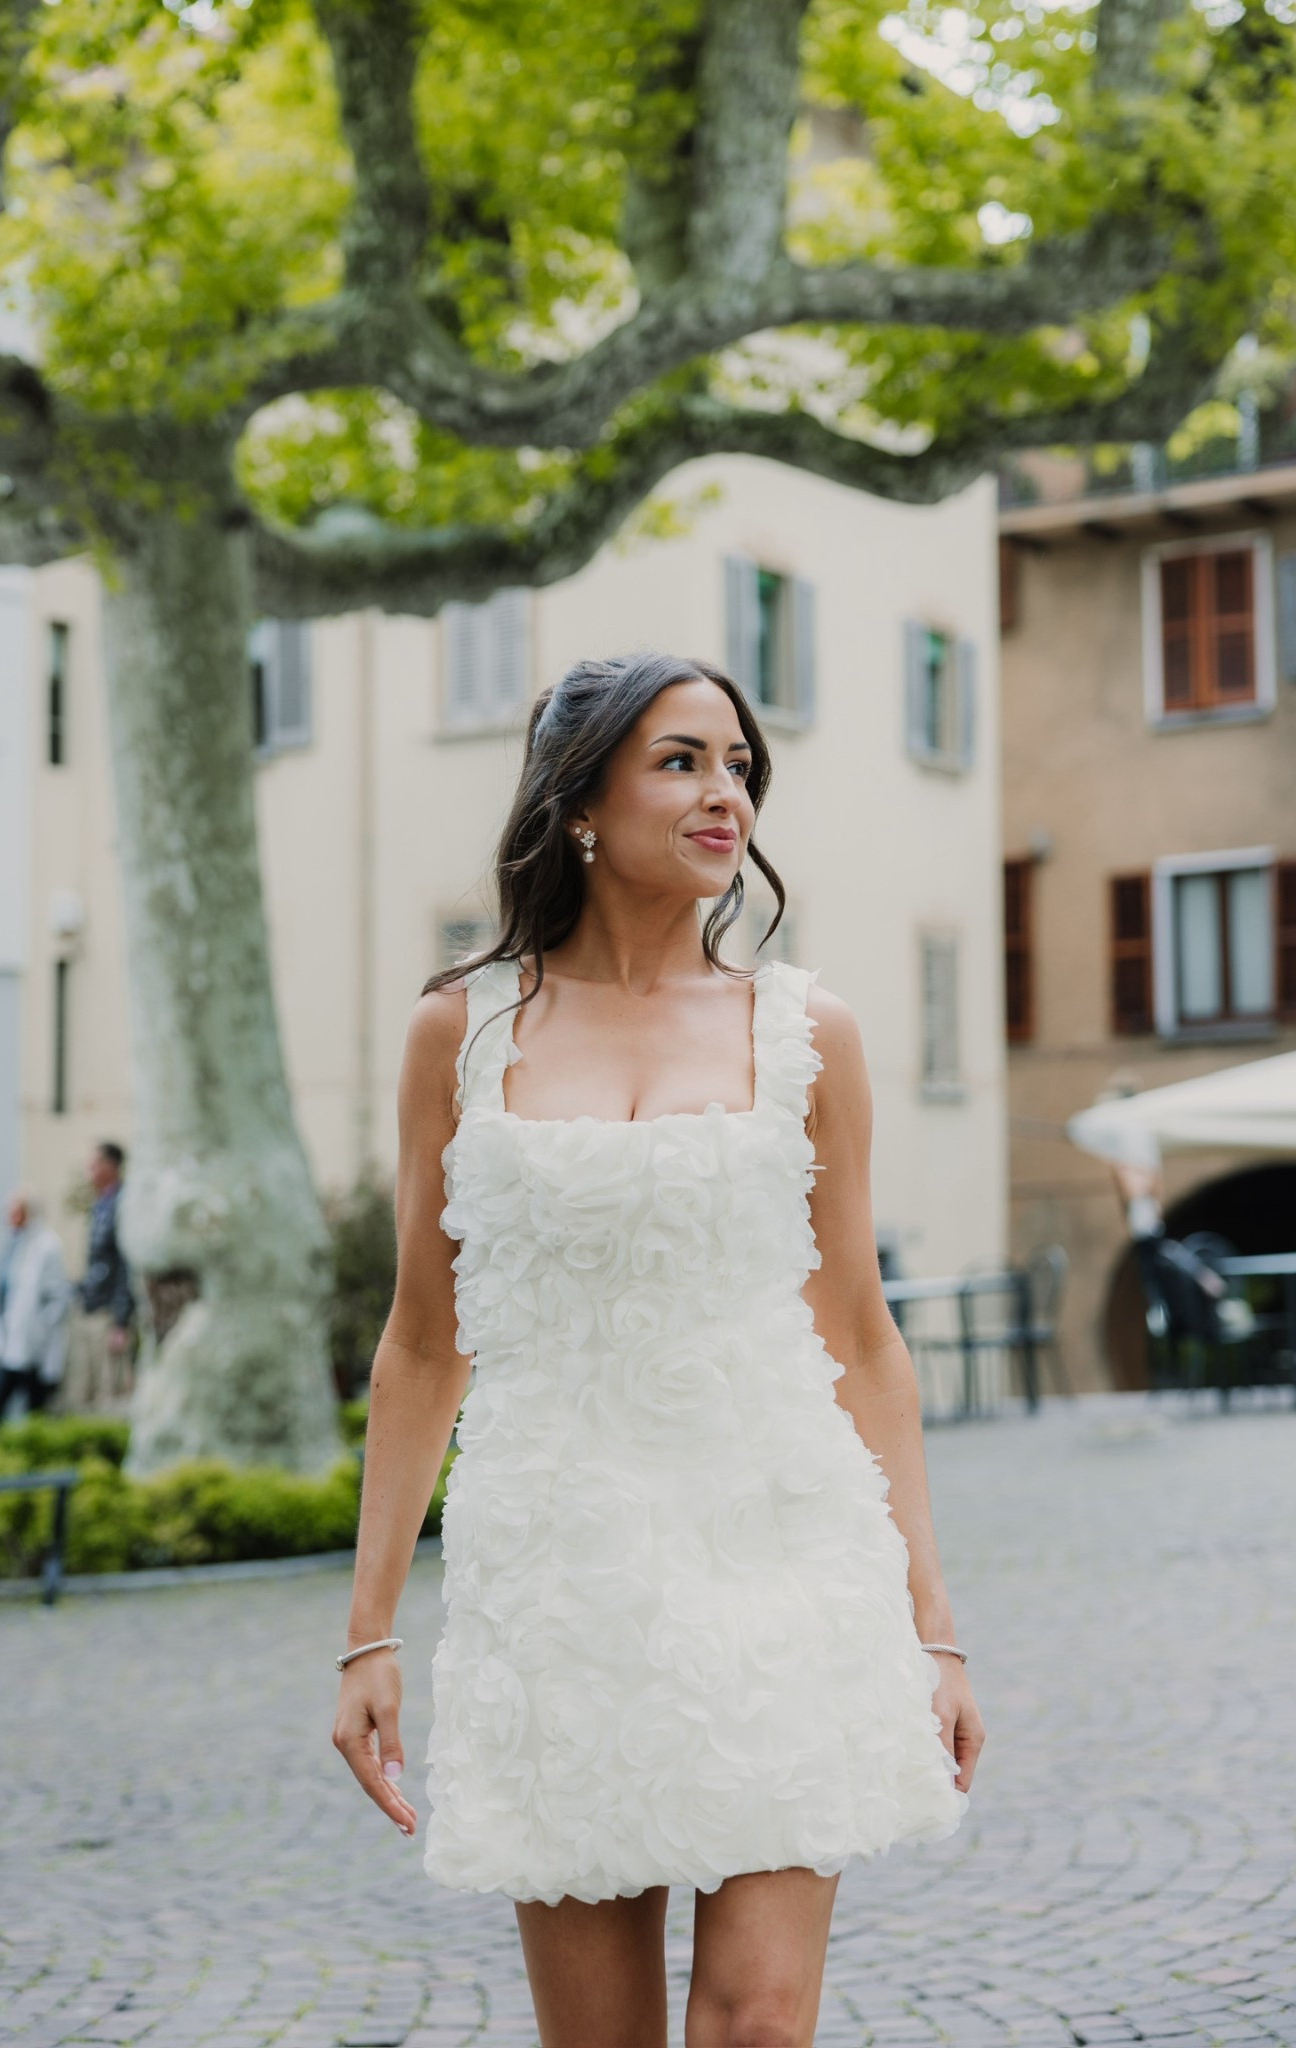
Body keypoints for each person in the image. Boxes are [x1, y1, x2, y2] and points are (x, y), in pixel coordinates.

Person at [333, 653, 984, 2046]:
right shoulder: (462, 1029)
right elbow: (423, 1340)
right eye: (681, 760)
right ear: (580, 801)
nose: (723, 794)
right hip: (563, 1584)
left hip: (785, 1553)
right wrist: (367, 1632)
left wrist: (933, 1628)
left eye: (738, 765)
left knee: (754, 2020)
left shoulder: (809, 1031)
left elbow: (862, 1340)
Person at [0, 1191, 72, 1426]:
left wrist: (40, 1331)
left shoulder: (47, 1246)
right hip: (12, 1341)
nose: (8, 1217)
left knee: (34, 1409)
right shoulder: (15, 1244)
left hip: (36, 1347)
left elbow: (58, 1298)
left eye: (14, 1212)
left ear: (28, 1213)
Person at [67, 1141, 136, 1410]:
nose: (90, 1171)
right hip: (92, 1306)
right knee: (85, 1387)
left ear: (112, 1166)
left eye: (95, 1165)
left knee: (111, 1392)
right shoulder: (101, 1205)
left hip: (109, 1313)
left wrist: (121, 1321)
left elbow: (125, 1265)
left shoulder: (124, 1204)